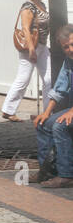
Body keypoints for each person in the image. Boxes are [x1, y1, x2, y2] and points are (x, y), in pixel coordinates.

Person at [1, 0, 51, 121]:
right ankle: (8, 110)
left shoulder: (41, 5)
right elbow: (25, 29)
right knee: (23, 78)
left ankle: (48, 111)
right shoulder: (28, 6)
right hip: (31, 47)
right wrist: (31, 49)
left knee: (49, 78)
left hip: (42, 45)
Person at [31, 24, 73, 189]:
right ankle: (46, 170)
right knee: (43, 124)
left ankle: (66, 174)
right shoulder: (68, 62)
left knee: (60, 126)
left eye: (72, 44)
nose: (70, 49)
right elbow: (59, 89)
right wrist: (46, 112)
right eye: (66, 47)